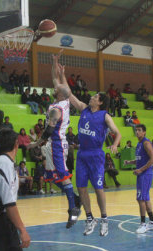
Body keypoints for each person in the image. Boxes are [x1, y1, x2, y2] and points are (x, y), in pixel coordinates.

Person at [53, 51, 121, 236]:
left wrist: (114, 144)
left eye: (95, 96)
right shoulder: (83, 109)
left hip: (96, 155)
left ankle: (105, 218)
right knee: (81, 188)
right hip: (82, 154)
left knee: (98, 188)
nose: (91, 97)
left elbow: (117, 133)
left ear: (99, 102)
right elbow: (68, 93)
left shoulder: (104, 115)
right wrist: (62, 73)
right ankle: (90, 218)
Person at [27, 52, 81, 229]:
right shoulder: (64, 100)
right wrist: (55, 61)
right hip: (54, 144)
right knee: (52, 177)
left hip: (56, 145)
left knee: (63, 177)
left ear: (58, 94)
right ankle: (74, 198)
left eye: (56, 88)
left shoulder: (56, 110)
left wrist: (36, 143)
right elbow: (55, 79)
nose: (54, 86)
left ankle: (73, 209)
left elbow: (49, 129)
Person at [124, 124, 153, 234]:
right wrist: (130, 162)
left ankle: (143, 224)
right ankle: (152, 222)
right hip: (142, 174)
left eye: (139, 130)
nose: (137, 132)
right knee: (145, 198)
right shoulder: (139, 144)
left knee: (140, 199)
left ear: (144, 132)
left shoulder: (146, 143)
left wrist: (141, 170)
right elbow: (140, 159)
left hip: (145, 174)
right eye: (136, 130)